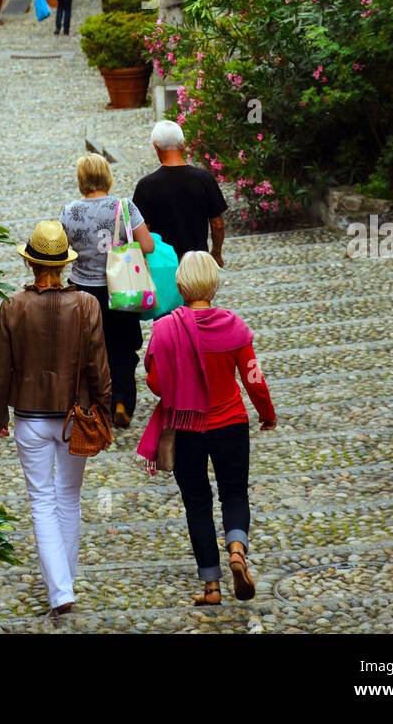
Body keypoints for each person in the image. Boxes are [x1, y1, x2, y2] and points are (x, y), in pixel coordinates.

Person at [137, 251, 277, 606]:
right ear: (213, 284)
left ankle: (211, 588)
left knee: (197, 503)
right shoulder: (234, 326)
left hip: (186, 428)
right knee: (234, 493)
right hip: (231, 423)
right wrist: (266, 413)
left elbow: (155, 383)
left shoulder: (166, 328)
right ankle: (236, 549)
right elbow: (253, 378)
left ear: (180, 285)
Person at [0, 220, 111, 616]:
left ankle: (61, 591)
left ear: (30, 263)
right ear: (64, 264)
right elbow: (99, 366)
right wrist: (105, 409)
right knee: (69, 498)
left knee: (42, 500)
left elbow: (0, 369)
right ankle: (64, 585)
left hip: (29, 416)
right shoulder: (87, 305)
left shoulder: (12, 307)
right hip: (76, 415)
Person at [60, 153, 154, 430]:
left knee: (90, 349)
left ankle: (95, 404)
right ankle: (122, 400)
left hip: (83, 291)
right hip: (121, 289)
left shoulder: (69, 211)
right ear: (107, 177)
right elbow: (147, 245)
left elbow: (61, 251)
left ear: (81, 180)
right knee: (123, 348)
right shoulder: (124, 207)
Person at [133, 121, 228, 267]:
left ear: (156, 147)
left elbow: (142, 231)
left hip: (162, 265)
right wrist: (216, 252)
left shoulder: (145, 186)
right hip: (198, 261)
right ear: (183, 144)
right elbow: (218, 224)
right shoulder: (204, 179)